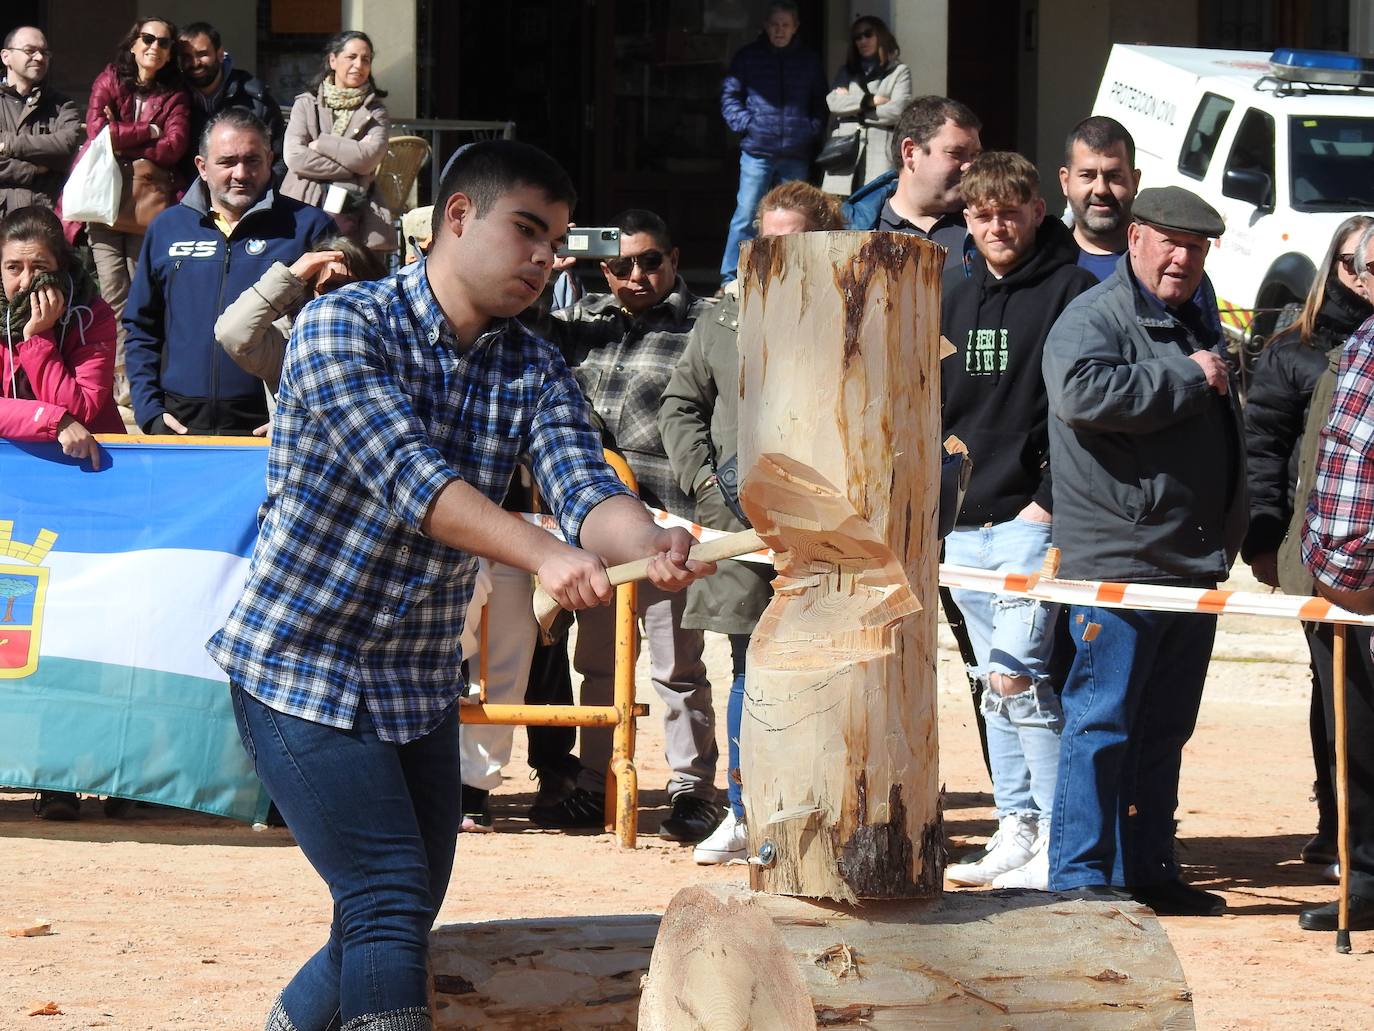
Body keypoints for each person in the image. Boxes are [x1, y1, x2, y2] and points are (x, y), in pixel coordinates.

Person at [206, 138, 711, 1030]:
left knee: (392, 908)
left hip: (418, 680)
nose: (545, 260)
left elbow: (585, 487)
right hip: (300, 671)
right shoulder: (341, 324)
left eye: (556, 242)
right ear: (457, 216)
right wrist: (544, 554)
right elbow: (415, 485)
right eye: (527, 231)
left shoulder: (535, 363)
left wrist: (652, 539)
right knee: (390, 896)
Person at [1042, 186, 1246, 915]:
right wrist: (1189, 375)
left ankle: (1148, 868)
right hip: (1118, 560)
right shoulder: (1095, 316)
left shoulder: (1196, 312)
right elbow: (1081, 394)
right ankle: (1079, 881)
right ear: (1135, 238)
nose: (1184, 258)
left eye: (1196, 248)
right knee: (1101, 723)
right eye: (1171, 242)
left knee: (1163, 727)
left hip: (1189, 559)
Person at [660, 179, 844, 864]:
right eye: (765, 239)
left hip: (828, 525)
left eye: (790, 240)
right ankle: (742, 810)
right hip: (736, 527)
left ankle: (818, 813)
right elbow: (681, 403)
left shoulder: (852, 310)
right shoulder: (721, 318)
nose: (775, 252)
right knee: (748, 666)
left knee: (826, 669)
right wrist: (705, 480)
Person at [938, 153, 1097, 890]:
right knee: (986, 678)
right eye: (981, 213)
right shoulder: (948, 289)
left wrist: (1046, 502)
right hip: (961, 522)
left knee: (1019, 678)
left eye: (1010, 209)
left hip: (1030, 520)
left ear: (1038, 209)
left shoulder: (1073, 292)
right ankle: (1017, 826)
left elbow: (1079, 417)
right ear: (966, 220)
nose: (996, 224)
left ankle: (1058, 841)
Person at [545, 208, 722, 844]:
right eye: (620, 265)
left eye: (650, 261)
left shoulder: (707, 325)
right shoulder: (580, 325)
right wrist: (545, 274)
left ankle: (690, 790)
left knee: (678, 668)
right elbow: (516, 335)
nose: (636, 276)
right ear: (602, 268)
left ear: (674, 260)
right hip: (597, 527)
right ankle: (596, 784)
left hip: (675, 522)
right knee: (595, 661)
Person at [1245, 216, 1373, 879]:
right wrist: (1263, 533)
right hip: (1321, 545)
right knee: (1338, 690)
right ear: (1344, 268)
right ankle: (1337, 823)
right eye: (1367, 263)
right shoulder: (1296, 347)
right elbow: (1263, 444)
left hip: (1353, 537)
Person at [0, 205, 126, 819]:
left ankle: (71, 772)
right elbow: (61, 413)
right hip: (14, 500)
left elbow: (87, 400)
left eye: (39, 268)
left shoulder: (91, 317)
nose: (25, 282)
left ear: (65, 270)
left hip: (83, 502)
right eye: (13, 268)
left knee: (75, 633)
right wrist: (50, 421)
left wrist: (39, 346)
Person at [124, 108, 334, 436]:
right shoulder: (167, 228)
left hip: (272, 423)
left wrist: (296, 413)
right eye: (227, 162)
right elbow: (141, 327)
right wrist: (150, 411)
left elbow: (335, 337)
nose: (240, 173)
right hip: (179, 423)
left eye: (252, 161)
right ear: (202, 167)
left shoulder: (309, 228)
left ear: (270, 160)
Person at [1298, 220, 1374, 933]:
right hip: (1343, 579)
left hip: (1354, 576)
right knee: (1357, 744)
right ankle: (1368, 881)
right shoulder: (1356, 349)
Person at [78, 17, 190, 414]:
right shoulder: (109, 79)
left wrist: (123, 133)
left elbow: (174, 148)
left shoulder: (176, 93)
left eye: (164, 42)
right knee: (112, 290)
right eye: (147, 38)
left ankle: (137, 377)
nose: (154, 47)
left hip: (147, 206)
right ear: (133, 42)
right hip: (104, 204)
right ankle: (117, 376)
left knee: (141, 292)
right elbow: (97, 134)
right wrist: (149, 132)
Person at [717, 1, 826, 286]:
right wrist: (746, 124)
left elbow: (819, 102)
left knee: (795, 219)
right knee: (745, 215)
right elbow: (730, 96)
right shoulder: (748, 57)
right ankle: (732, 276)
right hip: (757, 150)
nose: (780, 30)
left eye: (785, 25)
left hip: (795, 152)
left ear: (795, 28)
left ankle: (791, 275)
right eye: (775, 25)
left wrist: (809, 130)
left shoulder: (808, 60)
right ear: (766, 26)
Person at [215, 233, 387, 396]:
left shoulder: (394, 338)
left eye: (357, 286)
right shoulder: (289, 342)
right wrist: (291, 276)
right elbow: (231, 333)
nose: (343, 296)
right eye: (332, 287)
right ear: (311, 293)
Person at [281, 30, 396, 253]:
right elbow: (295, 158)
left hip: (354, 209)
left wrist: (321, 144)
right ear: (333, 60)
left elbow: (369, 160)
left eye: (366, 59)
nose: (359, 65)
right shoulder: (306, 104)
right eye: (351, 57)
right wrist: (354, 168)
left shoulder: (375, 111)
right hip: (304, 201)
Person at [860, 95, 982, 271]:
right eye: (955, 153)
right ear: (910, 153)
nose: (969, 166)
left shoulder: (988, 228)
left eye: (975, 155)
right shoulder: (852, 228)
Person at [176, 21, 286, 186]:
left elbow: (279, 157)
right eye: (187, 57)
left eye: (202, 54)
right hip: (188, 199)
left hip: (247, 195)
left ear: (220, 54)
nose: (195, 63)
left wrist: (264, 195)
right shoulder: (174, 99)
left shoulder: (256, 98)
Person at [820, 16, 910, 197]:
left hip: (879, 154)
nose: (862, 40)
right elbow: (833, 103)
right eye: (857, 37)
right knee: (840, 211)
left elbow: (897, 110)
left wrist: (852, 111)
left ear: (881, 36)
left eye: (868, 34)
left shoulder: (899, 71)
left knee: (875, 203)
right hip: (843, 154)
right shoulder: (846, 72)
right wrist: (869, 101)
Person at [0, 27, 81, 218]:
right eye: (30, 51)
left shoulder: (62, 104)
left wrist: (7, 144)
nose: (39, 58)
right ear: (6, 57)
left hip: (45, 214)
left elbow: (67, 147)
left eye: (44, 53)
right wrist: (34, 169)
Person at [1059, 115, 1140, 281]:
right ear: (1065, 181)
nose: (1101, 189)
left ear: (1135, 181)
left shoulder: (1167, 267)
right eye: (1087, 175)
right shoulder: (1037, 262)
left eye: (1114, 176)